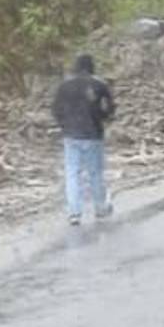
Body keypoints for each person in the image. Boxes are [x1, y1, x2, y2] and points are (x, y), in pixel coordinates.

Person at [51, 54, 116, 225]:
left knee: (72, 173)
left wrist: (64, 125)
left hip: (71, 135)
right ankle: (100, 207)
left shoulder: (64, 86)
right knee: (95, 172)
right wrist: (101, 117)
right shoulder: (99, 85)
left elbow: (56, 109)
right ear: (91, 67)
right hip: (93, 134)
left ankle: (74, 212)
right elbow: (110, 108)